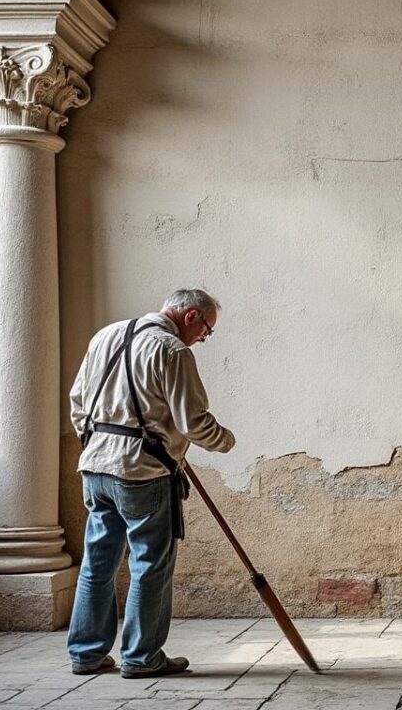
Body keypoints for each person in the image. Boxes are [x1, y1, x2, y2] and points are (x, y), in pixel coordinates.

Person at [66, 289, 236, 678]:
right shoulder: (173, 350)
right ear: (191, 316)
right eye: (207, 329)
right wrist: (226, 441)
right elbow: (194, 422)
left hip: (95, 468)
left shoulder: (105, 336)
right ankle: (142, 658)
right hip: (143, 474)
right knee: (150, 565)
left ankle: (87, 654)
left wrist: (100, 443)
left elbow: (78, 402)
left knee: (98, 562)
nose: (204, 338)